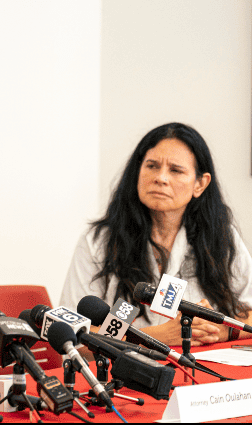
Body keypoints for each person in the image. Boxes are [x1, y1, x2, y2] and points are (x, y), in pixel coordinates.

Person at [60, 122, 252, 346]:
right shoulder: (98, 242)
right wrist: (158, 336)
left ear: (200, 184)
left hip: (201, 367)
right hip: (121, 372)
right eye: (151, 166)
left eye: (175, 170)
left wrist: (221, 332)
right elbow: (72, 335)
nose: (161, 178)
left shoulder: (220, 237)